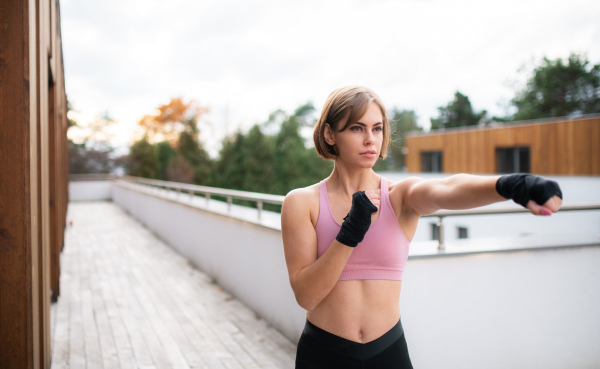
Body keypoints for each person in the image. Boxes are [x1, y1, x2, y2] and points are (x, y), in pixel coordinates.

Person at [280, 86, 563, 369]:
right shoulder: (302, 203)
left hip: (388, 352)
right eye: (357, 128)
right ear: (330, 134)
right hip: (324, 354)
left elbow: (447, 187)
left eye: (377, 129)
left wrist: (513, 185)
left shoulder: (399, 196)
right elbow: (307, 296)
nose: (370, 139)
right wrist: (349, 234)